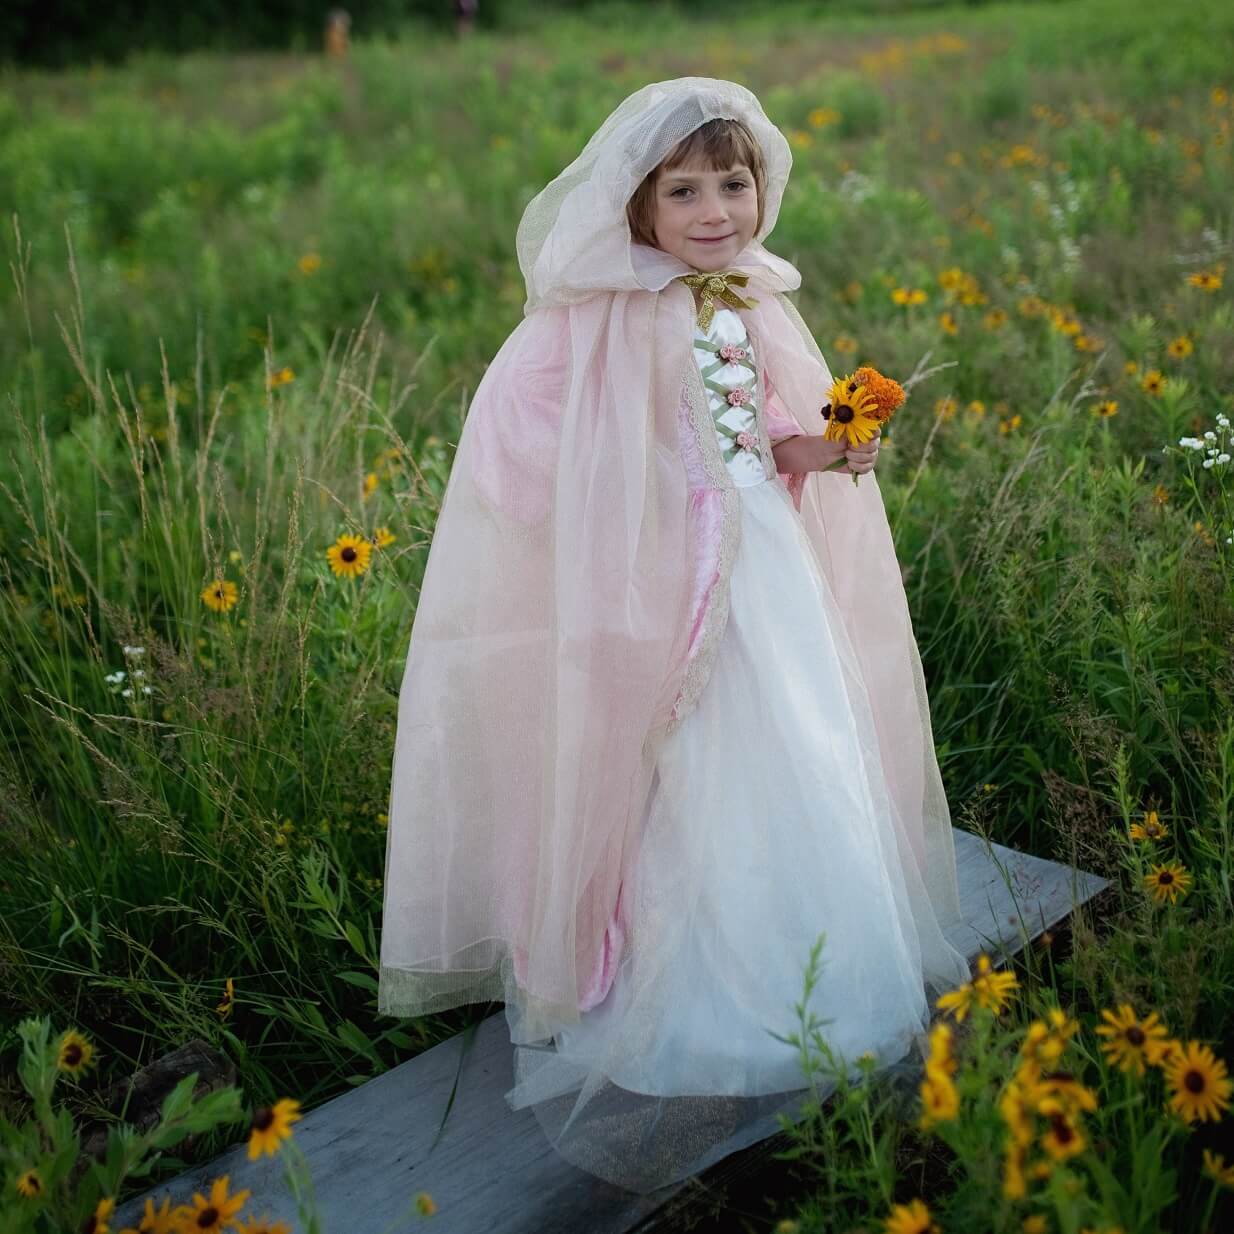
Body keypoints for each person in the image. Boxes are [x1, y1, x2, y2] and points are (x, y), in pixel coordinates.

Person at [377, 77, 972, 1195]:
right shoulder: (593, 319)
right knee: (680, 772)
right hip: (658, 584)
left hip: (765, 573)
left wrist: (827, 450)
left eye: (732, 182)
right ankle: (685, 1005)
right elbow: (520, 447)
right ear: (636, 205)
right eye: (683, 189)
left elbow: (760, 441)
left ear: (761, 188)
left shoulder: (750, 302)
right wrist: (628, 496)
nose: (714, 210)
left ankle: (827, 978)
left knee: (793, 747)